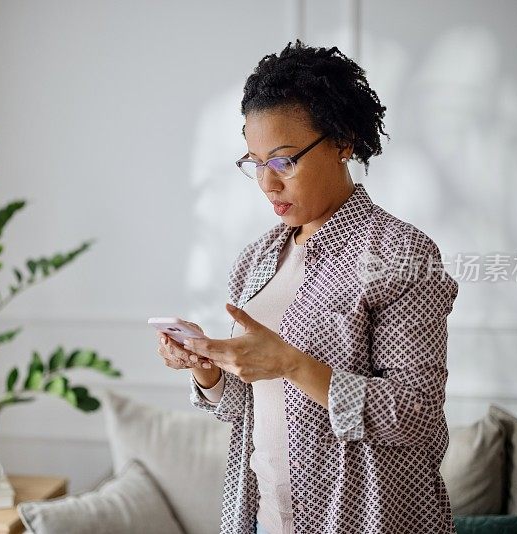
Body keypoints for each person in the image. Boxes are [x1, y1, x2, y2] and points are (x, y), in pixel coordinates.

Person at [155, 40, 459, 534]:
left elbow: (416, 417)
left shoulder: (401, 253)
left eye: (283, 162)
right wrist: (209, 370)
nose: (267, 184)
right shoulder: (255, 260)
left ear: (343, 141)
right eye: (255, 163)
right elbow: (251, 405)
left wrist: (292, 363)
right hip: (262, 519)